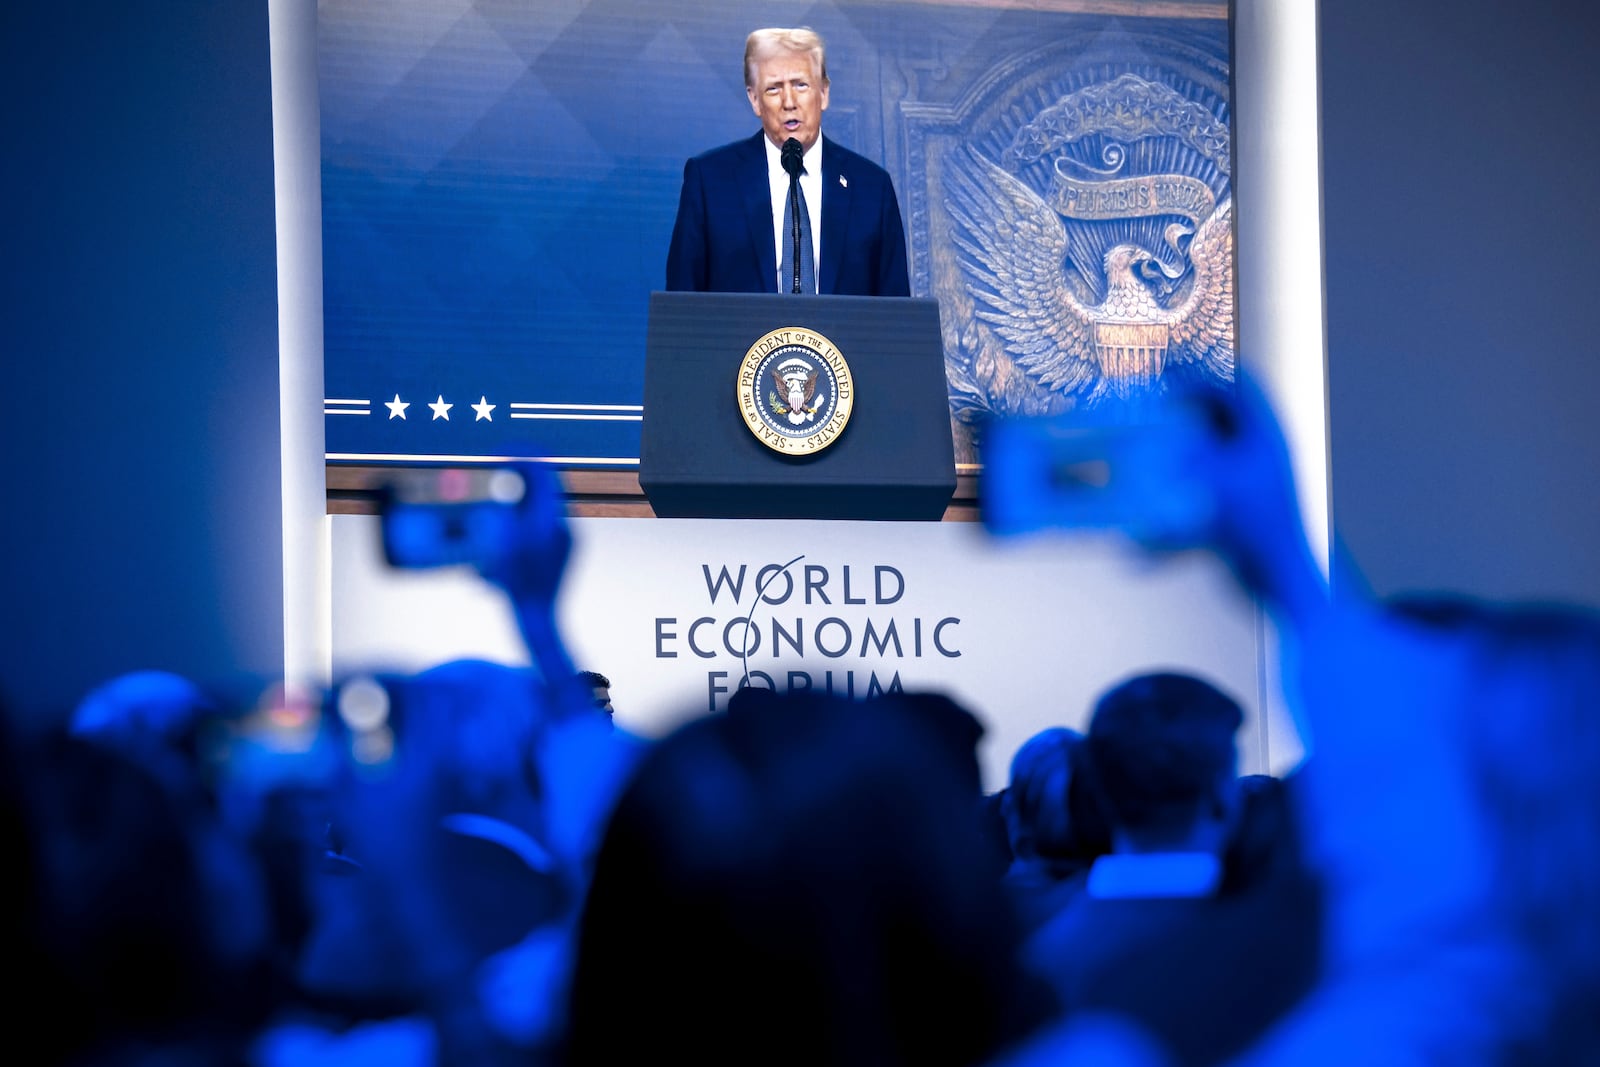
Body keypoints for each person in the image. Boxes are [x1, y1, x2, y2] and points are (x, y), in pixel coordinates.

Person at [665, 27, 911, 297]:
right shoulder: (710, 182)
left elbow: (896, 315)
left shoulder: (872, 188)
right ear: (755, 100)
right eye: (773, 89)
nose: (789, 102)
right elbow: (682, 306)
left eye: (800, 85)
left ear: (824, 93)